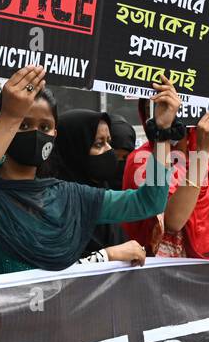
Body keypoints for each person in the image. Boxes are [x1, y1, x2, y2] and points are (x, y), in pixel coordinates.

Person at [0, 67, 176, 280]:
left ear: (55, 135)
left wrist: (162, 134)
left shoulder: (70, 197)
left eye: (44, 127)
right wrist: (10, 114)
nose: (35, 134)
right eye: (23, 125)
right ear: (3, 127)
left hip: (57, 326)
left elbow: (149, 201)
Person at [122, 103, 209, 265]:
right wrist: (202, 154)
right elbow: (173, 221)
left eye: (169, 107)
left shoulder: (204, 156)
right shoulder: (143, 160)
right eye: (153, 108)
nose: (159, 115)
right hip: (164, 276)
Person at [53, 108, 149, 263]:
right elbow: (56, 276)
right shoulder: (54, 203)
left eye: (108, 142)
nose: (110, 151)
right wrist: (108, 255)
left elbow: (151, 203)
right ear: (74, 150)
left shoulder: (101, 192)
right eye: (99, 144)